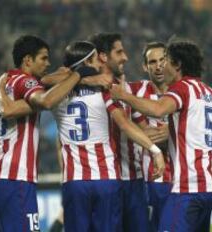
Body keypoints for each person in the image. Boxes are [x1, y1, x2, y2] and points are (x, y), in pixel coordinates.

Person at [52, 41, 165, 232]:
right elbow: (125, 124)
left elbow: (43, 85)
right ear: (87, 62)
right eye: (96, 60)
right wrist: (154, 150)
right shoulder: (104, 90)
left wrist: (75, 77)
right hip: (106, 178)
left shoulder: (55, 95)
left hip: (74, 180)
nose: (100, 65)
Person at [111, 40, 212, 231]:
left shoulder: (182, 88)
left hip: (189, 186)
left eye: (166, 61)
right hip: (210, 184)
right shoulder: (208, 92)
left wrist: (124, 96)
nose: (162, 66)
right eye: (155, 62)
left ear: (177, 65)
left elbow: (159, 109)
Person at [0, 35, 83, 232]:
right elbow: (46, 101)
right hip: (17, 179)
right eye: (43, 58)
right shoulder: (25, 82)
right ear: (28, 60)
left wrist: (62, 75)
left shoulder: (7, 82)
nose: (48, 63)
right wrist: (77, 75)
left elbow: (44, 82)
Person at [89, 33, 151, 232]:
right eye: (119, 52)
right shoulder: (81, 87)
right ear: (103, 56)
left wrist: (171, 131)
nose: (125, 57)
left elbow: (143, 128)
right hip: (104, 180)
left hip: (134, 180)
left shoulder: (124, 91)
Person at [132, 42, 173, 231]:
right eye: (153, 62)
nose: (158, 66)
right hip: (154, 177)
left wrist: (170, 134)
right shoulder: (137, 91)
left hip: (184, 175)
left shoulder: (183, 90)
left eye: (162, 60)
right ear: (145, 66)